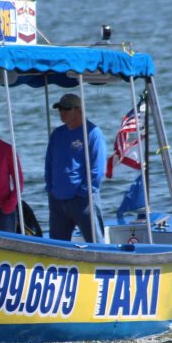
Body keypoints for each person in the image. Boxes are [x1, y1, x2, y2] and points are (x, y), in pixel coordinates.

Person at [44, 93, 106, 241]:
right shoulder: (57, 134)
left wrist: (83, 192)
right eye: (60, 109)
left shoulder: (93, 133)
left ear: (79, 110)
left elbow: (97, 169)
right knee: (57, 246)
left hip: (83, 200)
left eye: (67, 109)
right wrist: (51, 189)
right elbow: (49, 163)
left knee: (95, 244)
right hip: (57, 201)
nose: (62, 113)